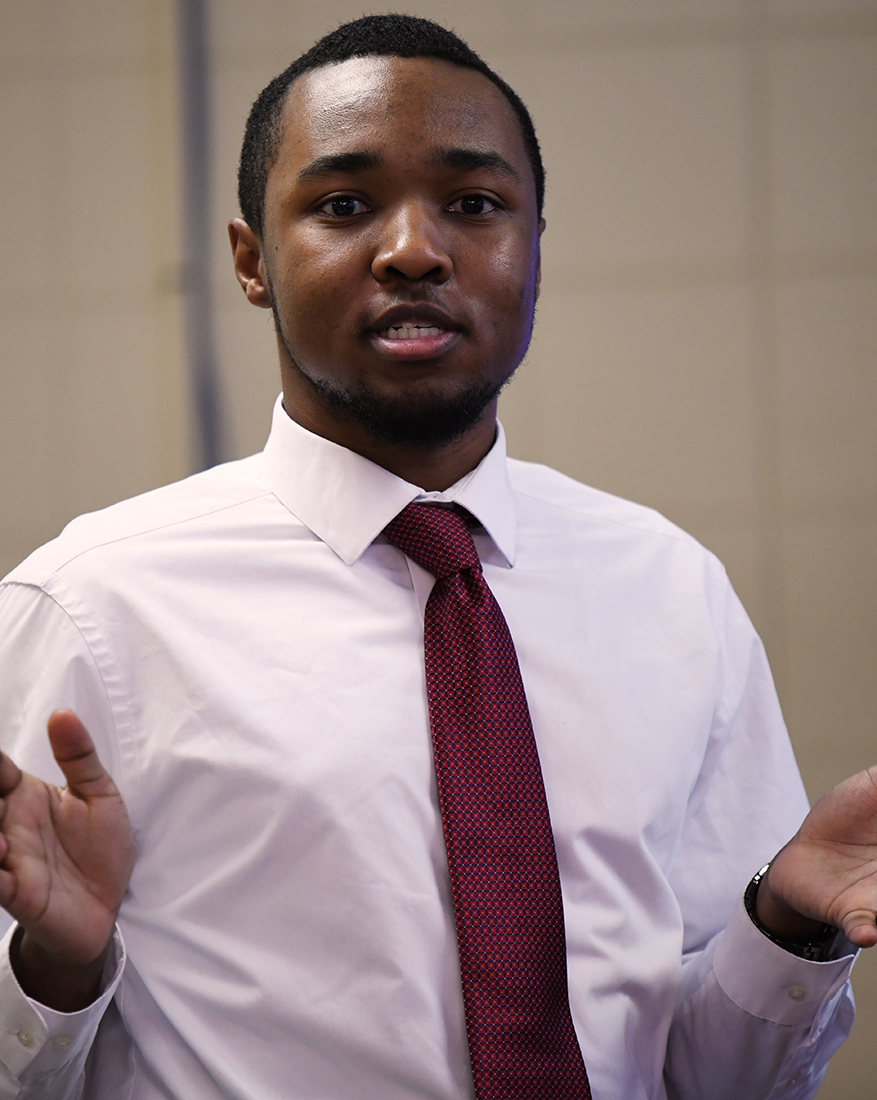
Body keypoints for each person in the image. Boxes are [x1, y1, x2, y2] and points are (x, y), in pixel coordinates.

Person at [0, 13, 874, 1100]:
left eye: (472, 204)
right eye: (342, 204)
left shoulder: (670, 589)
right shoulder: (92, 606)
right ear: (249, 261)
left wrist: (785, 926)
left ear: (534, 246)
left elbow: (714, 1079)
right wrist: (58, 965)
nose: (413, 248)